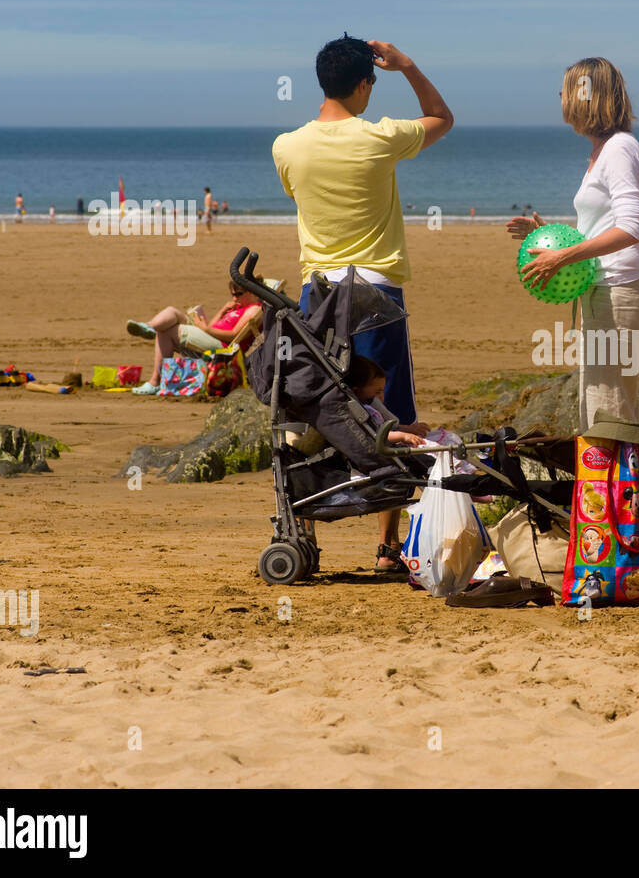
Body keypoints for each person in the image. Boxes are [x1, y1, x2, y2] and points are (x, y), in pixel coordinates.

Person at [273, 33, 452, 572]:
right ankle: (387, 548)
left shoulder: (287, 146)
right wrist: (410, 66)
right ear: (363, 83)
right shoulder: (380, 137)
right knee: (387, 406)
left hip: (318, 295)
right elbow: (441, 117)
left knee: (312, 404)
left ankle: (301, 527)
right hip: (375, 291)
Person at [507, 57, 639, 432]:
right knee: (604, 405)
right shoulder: (603, 151)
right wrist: (548, 235)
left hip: (616, 293)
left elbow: (631, 227)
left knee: (611, 415)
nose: (560, 98)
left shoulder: (618, 149)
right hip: (604, 290)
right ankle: (610, 491)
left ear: (586, 96)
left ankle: (619, 492)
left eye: (565, 90)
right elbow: (603, 224)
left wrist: (563, 256)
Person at [125, 281, 262, 392]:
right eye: (232, 295)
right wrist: (222, 311)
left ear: (251, 291)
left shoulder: (254, 309)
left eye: (238, 294)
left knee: (168, 331)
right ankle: (149, 327)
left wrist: (205, 329)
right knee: (172, 312)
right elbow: (214, 326)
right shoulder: (238, 307)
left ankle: (155, 381)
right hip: (211, 337)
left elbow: (234, 335)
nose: (234, 298)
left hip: (224, 347)